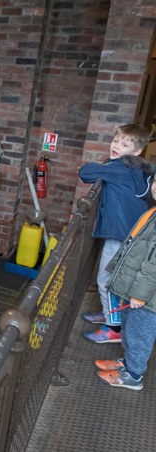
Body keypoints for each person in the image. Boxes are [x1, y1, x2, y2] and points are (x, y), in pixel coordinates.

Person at [79, 123, 152, 343]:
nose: (116, 145)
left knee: (106, 280)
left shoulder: (120, 168)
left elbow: (86, 172)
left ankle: (113, 328)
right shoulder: (140, 169)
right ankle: (109, 313)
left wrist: (107, 165)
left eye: (124, 144)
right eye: (115, 140)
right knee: (115, 278)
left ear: (137, 150)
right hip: (131, 235)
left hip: (119, 236)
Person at [96, 178, 156, 390]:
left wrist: (140, 294)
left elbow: (153, 265)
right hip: (139, 292)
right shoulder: (153, 212)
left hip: (149, 299)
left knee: (141, 333)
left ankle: (133, 375)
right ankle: (128, 363)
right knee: (131, 327)